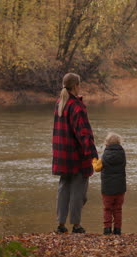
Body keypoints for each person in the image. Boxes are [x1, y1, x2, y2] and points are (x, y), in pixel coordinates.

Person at [52, 72, 98, 234]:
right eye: (79, 84)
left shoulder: (60, 103)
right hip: (77, 157)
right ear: (75, 86)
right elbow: (84, 134)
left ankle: (60, 224)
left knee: (64, 188)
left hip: (62, 156)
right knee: (79, 192)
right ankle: (76, 225)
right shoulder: (77, 107)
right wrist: (93, 155)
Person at [93, 132, 127, 235]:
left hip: (107, 189)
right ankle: (117, 230)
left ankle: (107, 229)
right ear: (119, 142)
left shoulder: (104, 155)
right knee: (118, 209)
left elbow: (97, 168)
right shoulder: (122, 154)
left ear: (106, 143)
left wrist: (94, 161)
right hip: (120, 188)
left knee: (107, 209)